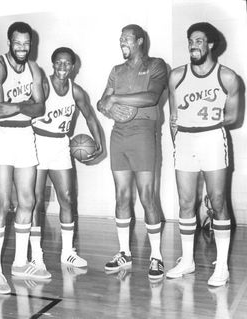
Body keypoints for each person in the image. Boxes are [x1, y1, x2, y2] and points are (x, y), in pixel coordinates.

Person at [166, 22, 239, 286]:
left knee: (218, 202)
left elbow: (234, 116)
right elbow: (173, 114)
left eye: (198, 41)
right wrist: (178, 138)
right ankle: (187, 261)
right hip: (185, 139)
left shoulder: (228, 77)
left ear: (210, 44)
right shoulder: (176, 75)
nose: (193, 45)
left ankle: (222, 266)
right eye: (190, 41)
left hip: (211, 137)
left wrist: (207, 113)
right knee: (186, 203)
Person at [97, 24, 167, 280]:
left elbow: (150, 97)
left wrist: (116, 99)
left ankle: (156, 256)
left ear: (140, 40)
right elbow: (101, 101)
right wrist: (107, 107)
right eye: (120, 38)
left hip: (144, 133)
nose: (122, 41)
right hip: (119, 135)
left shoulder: (157, 65)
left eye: (127, 38)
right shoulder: (116, 71)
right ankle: (124, 252)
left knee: (147, 195)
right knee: (122, 196)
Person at [0, 21, 50, 294]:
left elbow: (40, 108)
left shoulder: (35, 68)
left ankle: (20, 263)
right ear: (9, 42)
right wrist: (25, 106)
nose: (22, 48)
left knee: (29, 200)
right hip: (1, 135)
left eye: (27, 43)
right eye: (18, 43)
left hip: (26, 134)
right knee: (3, 203)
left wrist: (18, 106)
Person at [29, 47, 103, 272]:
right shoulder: (42, 86)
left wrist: (99, 143)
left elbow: (90, 116)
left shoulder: (76, 91)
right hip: (38, 142)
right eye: (59, 62)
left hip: (61, 144)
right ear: (53, 64)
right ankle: (36, 255)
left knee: (67, 198)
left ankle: (68, 252)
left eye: (67, 63)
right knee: (36, 200)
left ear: (73, 67)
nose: (63, 67)